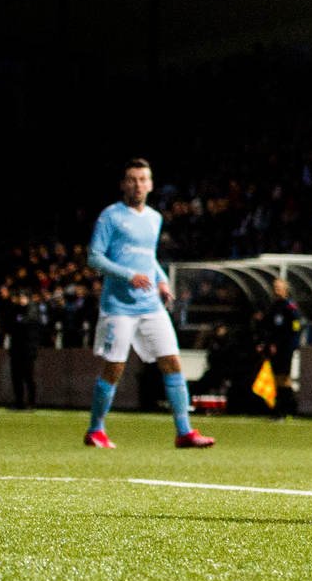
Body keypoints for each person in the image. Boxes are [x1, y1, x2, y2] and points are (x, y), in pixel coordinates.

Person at [83, 158, 214, 448]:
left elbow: (148, 256)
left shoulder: (154, 218)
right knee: (114, 367)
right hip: (118, 306)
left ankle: (184, 432)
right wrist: (129, 275)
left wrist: (162, 279)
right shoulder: (111, 216)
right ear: (123, 184)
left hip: (150, 305)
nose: (138, 184)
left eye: (143, 179)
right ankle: (96, 429)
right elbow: (94, 257)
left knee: (172, 361)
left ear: (151, 184)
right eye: (133, 179)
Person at [260, 277, 304, 419]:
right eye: (275, 287)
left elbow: (295, 328)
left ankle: (288, 409)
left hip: (285, 349)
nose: (276, 289)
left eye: (279, 287)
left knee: (283, 378)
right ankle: (284, 410)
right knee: (277, 379)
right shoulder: (273, 307)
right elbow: (269, 328)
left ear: (286, 289)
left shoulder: (289, 307)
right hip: (274, 349)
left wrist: (291, 347)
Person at [7, 289, 47, 410]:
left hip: (28, 349)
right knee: (16, 377)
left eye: (23, 297)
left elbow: (26, 325)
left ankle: (31, 402)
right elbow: (10, 325)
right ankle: (19, 402)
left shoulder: (33, 310)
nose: (21, 300)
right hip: (16, 348)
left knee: (28, 376)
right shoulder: (15, 310)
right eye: (20, 297)